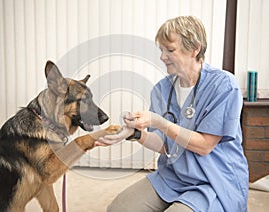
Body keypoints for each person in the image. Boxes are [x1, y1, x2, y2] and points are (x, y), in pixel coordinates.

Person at [95, 16, 249, 212]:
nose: (162, 56)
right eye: (161, 50)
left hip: (213, 180)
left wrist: (159, 122)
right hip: (173, 177)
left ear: (195, 49)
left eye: (170, 50)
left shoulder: (223, 86)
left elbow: (204, 146)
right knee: (118, 209)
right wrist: (134, 133)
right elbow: (164, 146)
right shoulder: (162, 90)